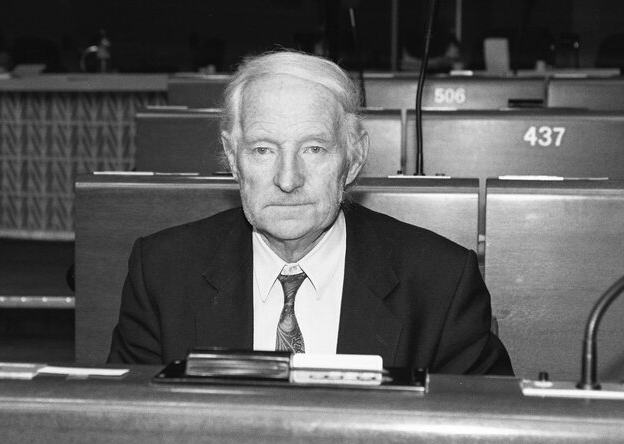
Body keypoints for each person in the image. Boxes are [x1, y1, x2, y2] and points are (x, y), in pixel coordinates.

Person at [108, 50, 513, 375]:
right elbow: (124, 437)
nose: (288, 179)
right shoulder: (162, 273)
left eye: (313, 149)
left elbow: (489, 442)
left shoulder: (440, 283)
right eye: (263, 150)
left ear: (353, 159)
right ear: (233, 159)